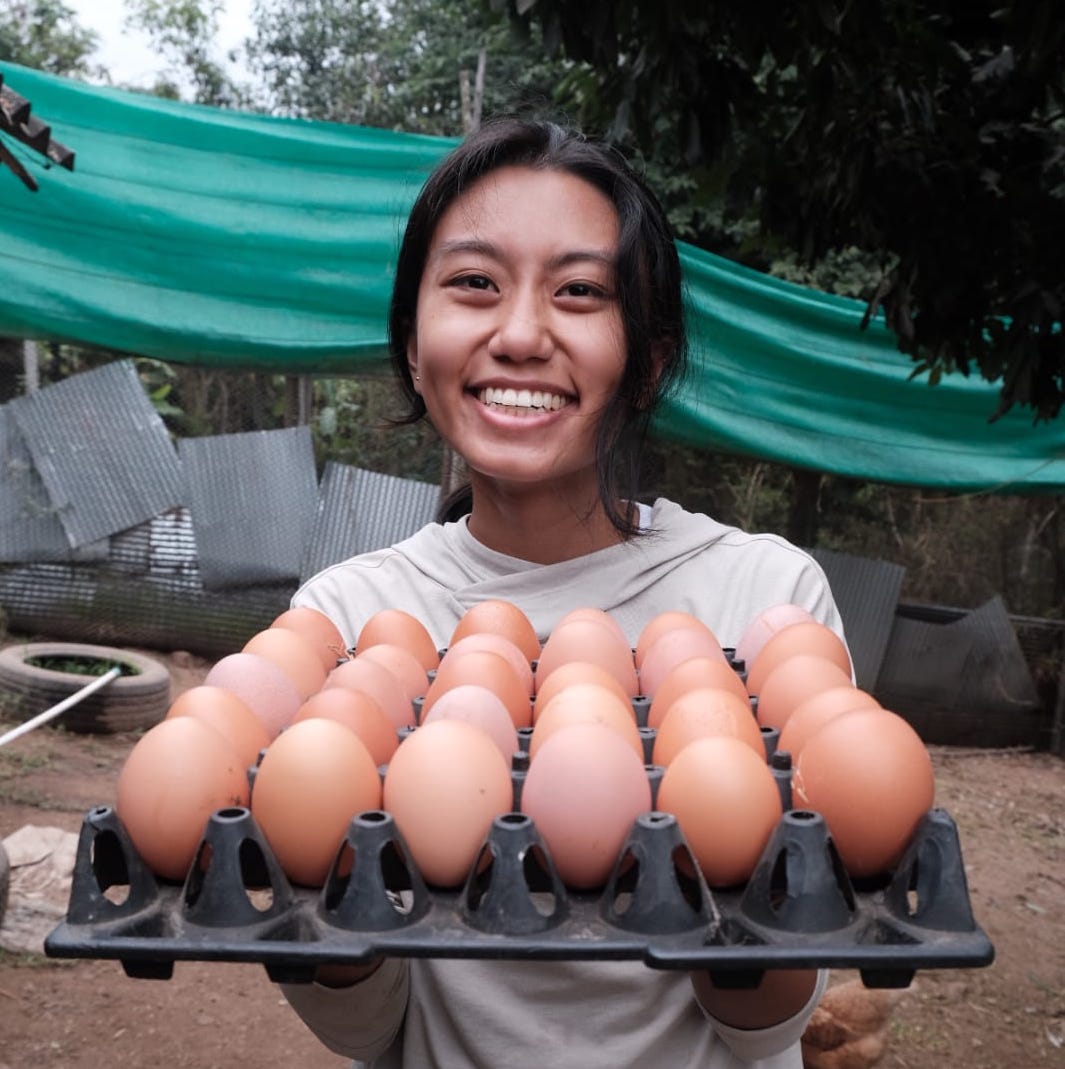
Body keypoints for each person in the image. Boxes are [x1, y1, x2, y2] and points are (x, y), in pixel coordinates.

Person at [280, 116, 846, 1069]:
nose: (519, 333)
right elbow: (364, 1028)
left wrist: (732, 858)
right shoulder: (347, 621)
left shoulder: (762, 594)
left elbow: (766, 1023)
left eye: (579, 291)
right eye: (473, 284)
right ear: (413, 345)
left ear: (648, 359)